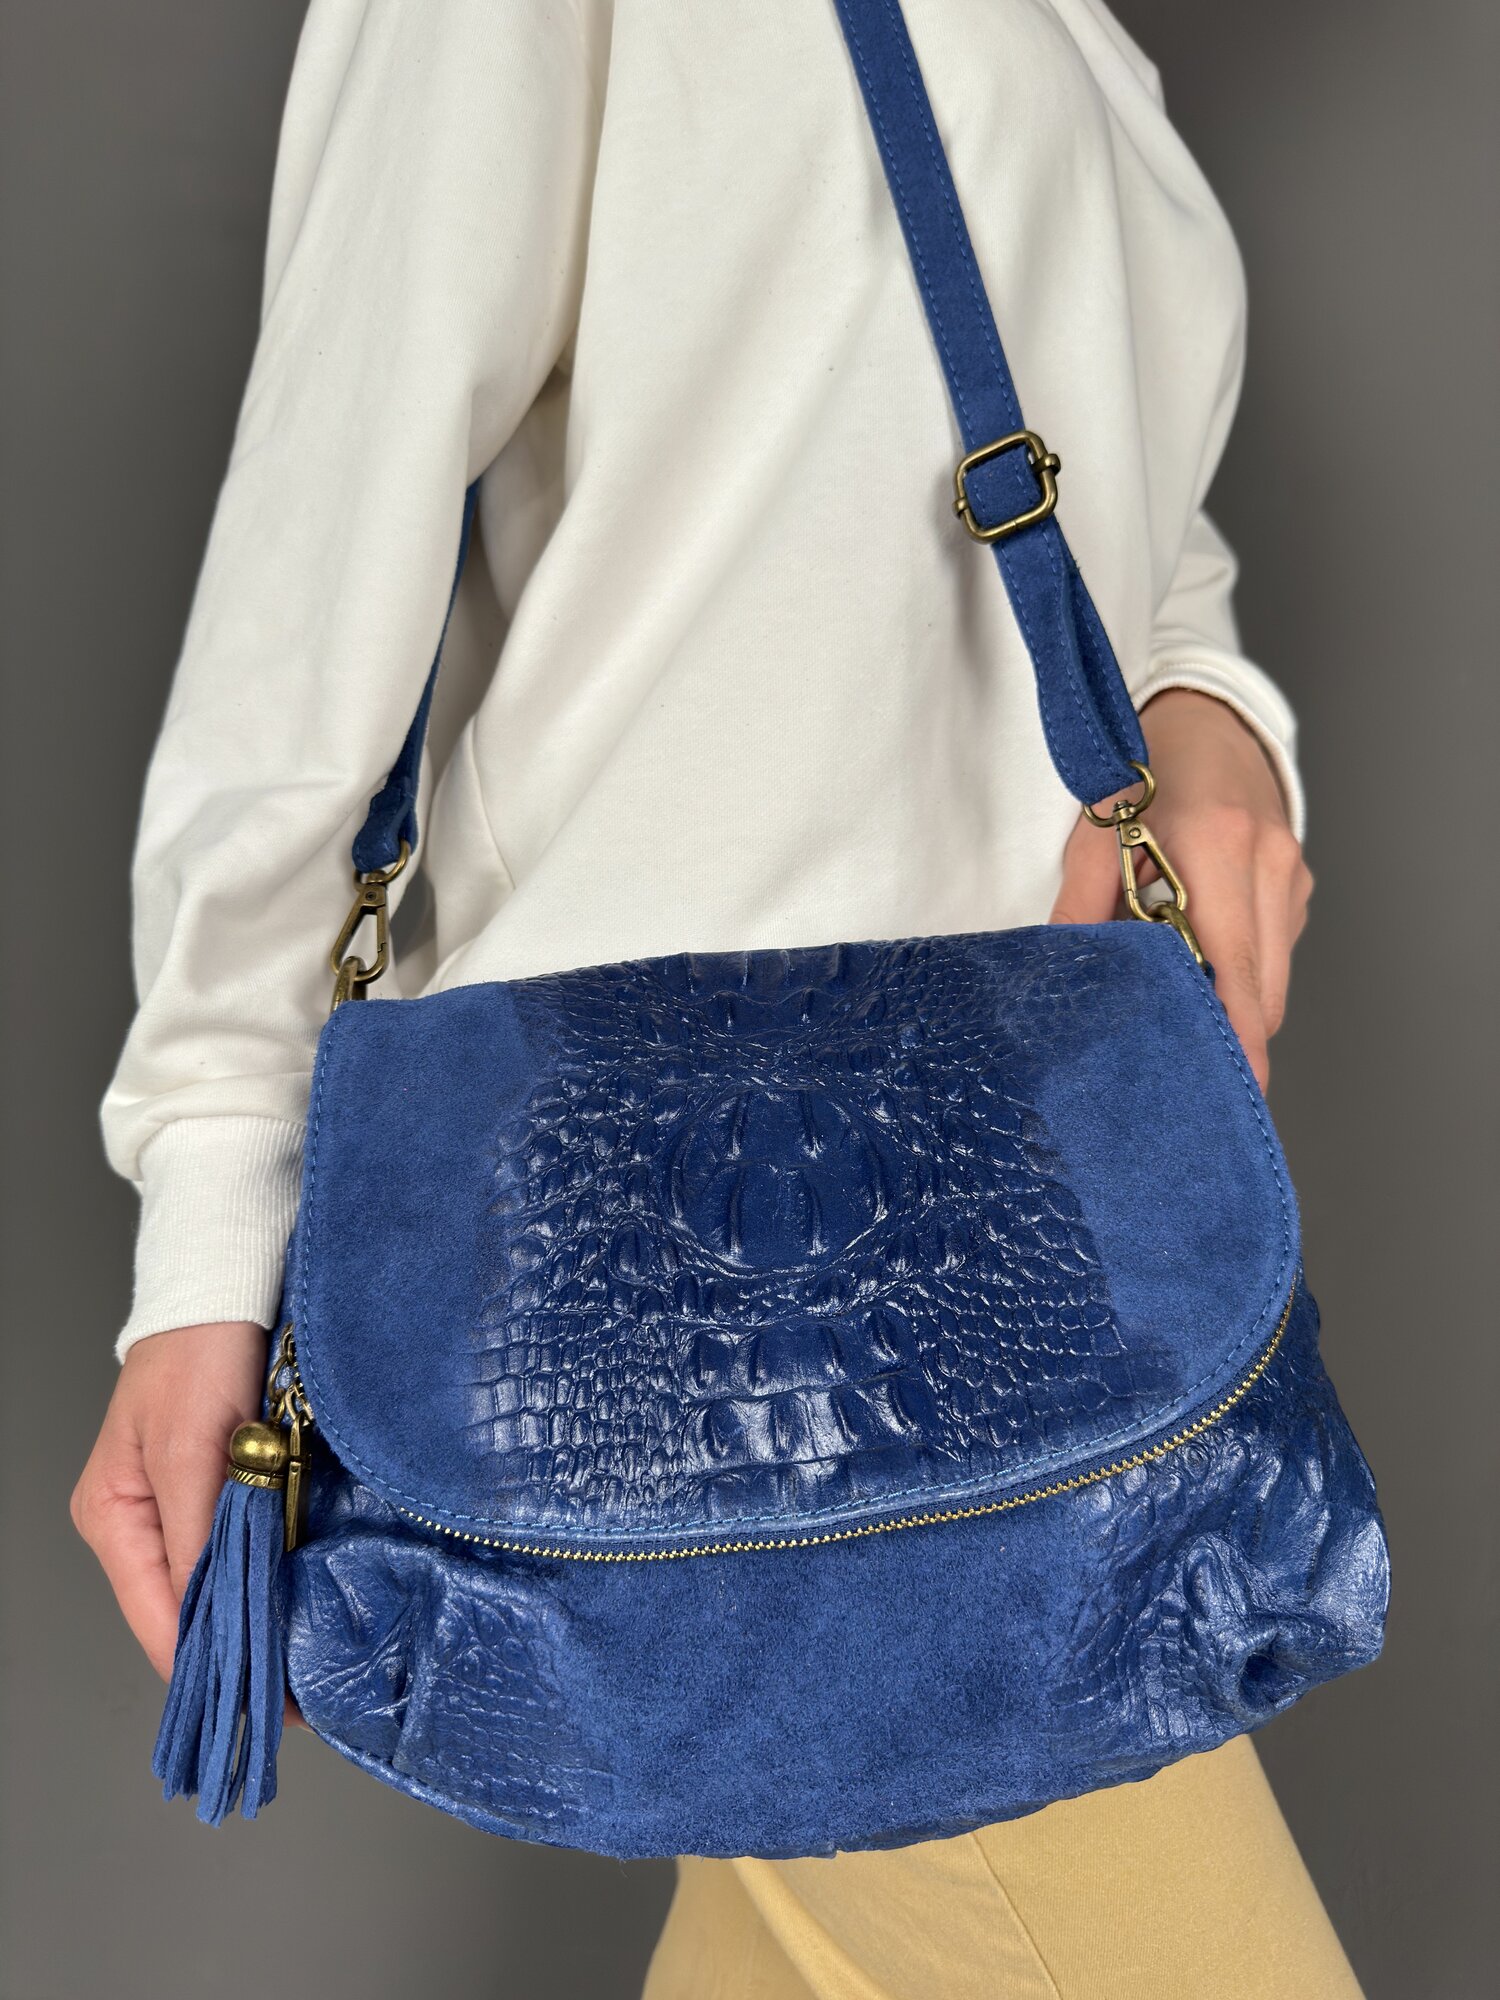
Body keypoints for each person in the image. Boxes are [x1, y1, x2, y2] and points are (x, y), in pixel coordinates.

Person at [70, 3, 1356, 1994]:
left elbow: (1104, 499)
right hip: (618, 1239)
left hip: (1030, 1220)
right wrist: (216, 1210)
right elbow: (322, 556)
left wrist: (1208, 718)